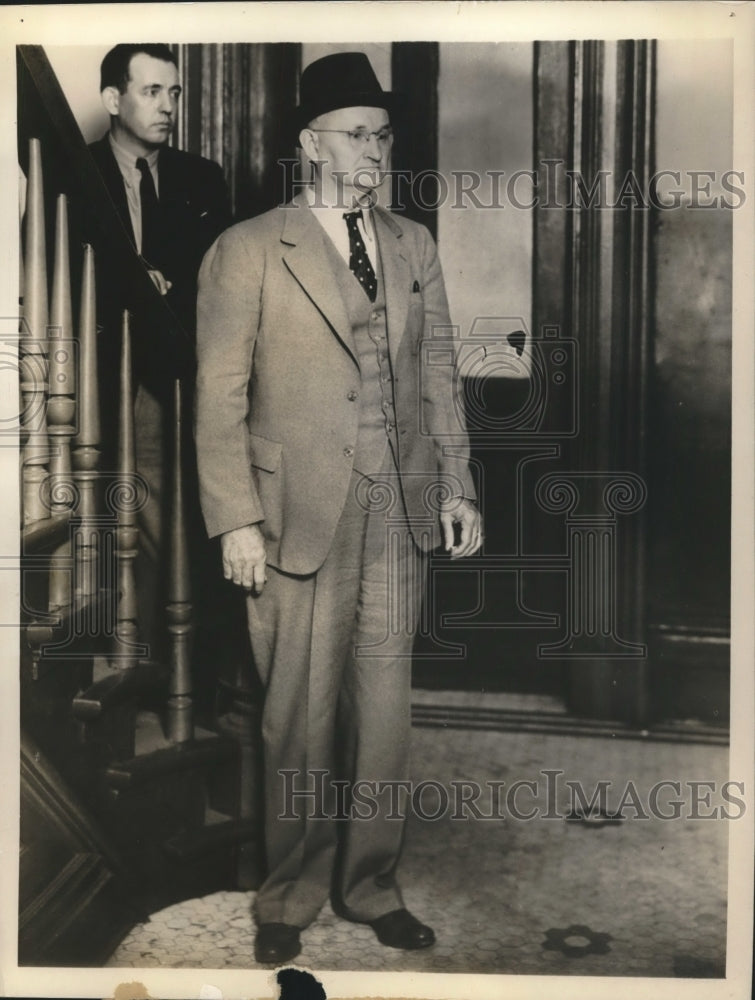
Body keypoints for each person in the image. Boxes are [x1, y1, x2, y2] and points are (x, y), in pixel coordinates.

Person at [194, 51, 482, 965]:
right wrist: (234, 518)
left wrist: (457, 486)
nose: (376, 151)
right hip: (293, 520)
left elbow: (437, 374)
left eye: (384, 135)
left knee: (384, 718)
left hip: (396, 512)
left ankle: (370, 885)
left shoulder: (412, 245)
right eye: (357, 134)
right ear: (309, 145)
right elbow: (217, 398)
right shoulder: (246, 249)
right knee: (297, 719)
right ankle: (287, 894)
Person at [88, 43, 231, 661]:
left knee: (187, 529)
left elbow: (222, 282)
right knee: (120, 529)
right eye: (152, 92)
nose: (168, 106)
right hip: (109, 380)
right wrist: (129, 281)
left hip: (188, 378)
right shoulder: (77, 171)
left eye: (174, 94)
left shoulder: (203, 178)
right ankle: (135, 665)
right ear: (112, 100)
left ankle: (186, 678)